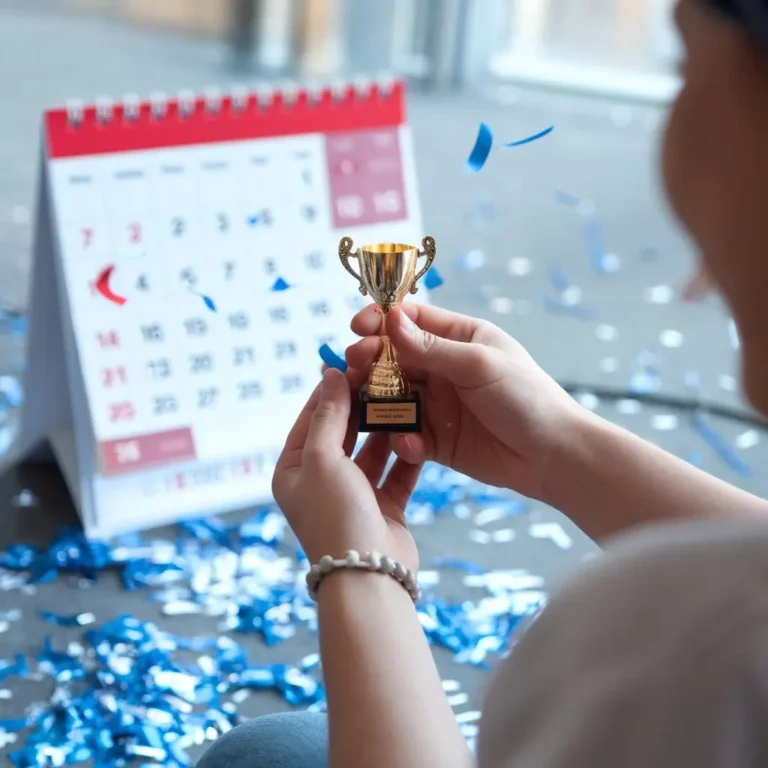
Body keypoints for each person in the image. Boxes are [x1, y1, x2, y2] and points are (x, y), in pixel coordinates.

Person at [197, 0, 768, 765]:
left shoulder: (675, 644)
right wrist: (560, 447)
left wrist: (361, 570)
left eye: (684, 68)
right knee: (282, 748)